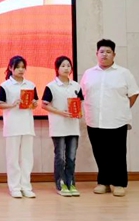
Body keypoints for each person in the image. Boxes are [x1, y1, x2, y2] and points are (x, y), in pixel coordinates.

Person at [80, 39, 139, 197]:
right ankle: (104, 182)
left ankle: (119, 184)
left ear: (114, 55)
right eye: (101, 52)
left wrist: (122, 109)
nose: (104, 55)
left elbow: (134, 93)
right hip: (94, 120)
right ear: (96, 54)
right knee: (100, 153)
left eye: (108, 52)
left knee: (118, 154)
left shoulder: (124, 73)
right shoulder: (89, 73)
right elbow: (81, 94)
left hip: (117, 120)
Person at [0, 55, 38, 198]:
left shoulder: (31, 85)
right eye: (18, 67)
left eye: (23, 67)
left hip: (27, 125)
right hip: (12, 126)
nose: (21, 70)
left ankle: (26, 186)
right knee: (13, 158)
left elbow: (35, 103)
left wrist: (33, 104)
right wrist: (12, 104)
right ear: (11, 68)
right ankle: (14, 187)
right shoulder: (5, 86)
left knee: (27, 157)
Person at [42, 56, 82, 197]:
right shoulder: (51, 86)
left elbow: (79, 103)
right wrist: (60, 112)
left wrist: (79, 113)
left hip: (73, 127)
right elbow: (44, 105)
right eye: (63, 66)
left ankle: (71, 183)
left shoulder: (76, 86)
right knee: (60, 157)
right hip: (58, 127)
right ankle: (61, 183)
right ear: (57, 68)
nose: (66, 68)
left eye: (68, 66)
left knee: (71, 157)